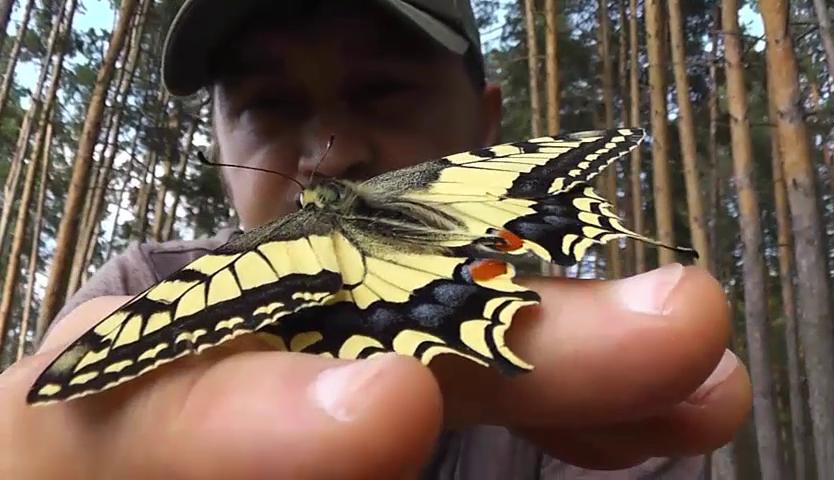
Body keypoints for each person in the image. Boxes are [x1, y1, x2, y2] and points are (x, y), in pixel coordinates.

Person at [0, 1, 752, 478]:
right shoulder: (144, 290)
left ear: (487, 124)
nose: (329, 158)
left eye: (383, 91)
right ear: (219, 140)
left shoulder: (602, 399)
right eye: (269, 104)